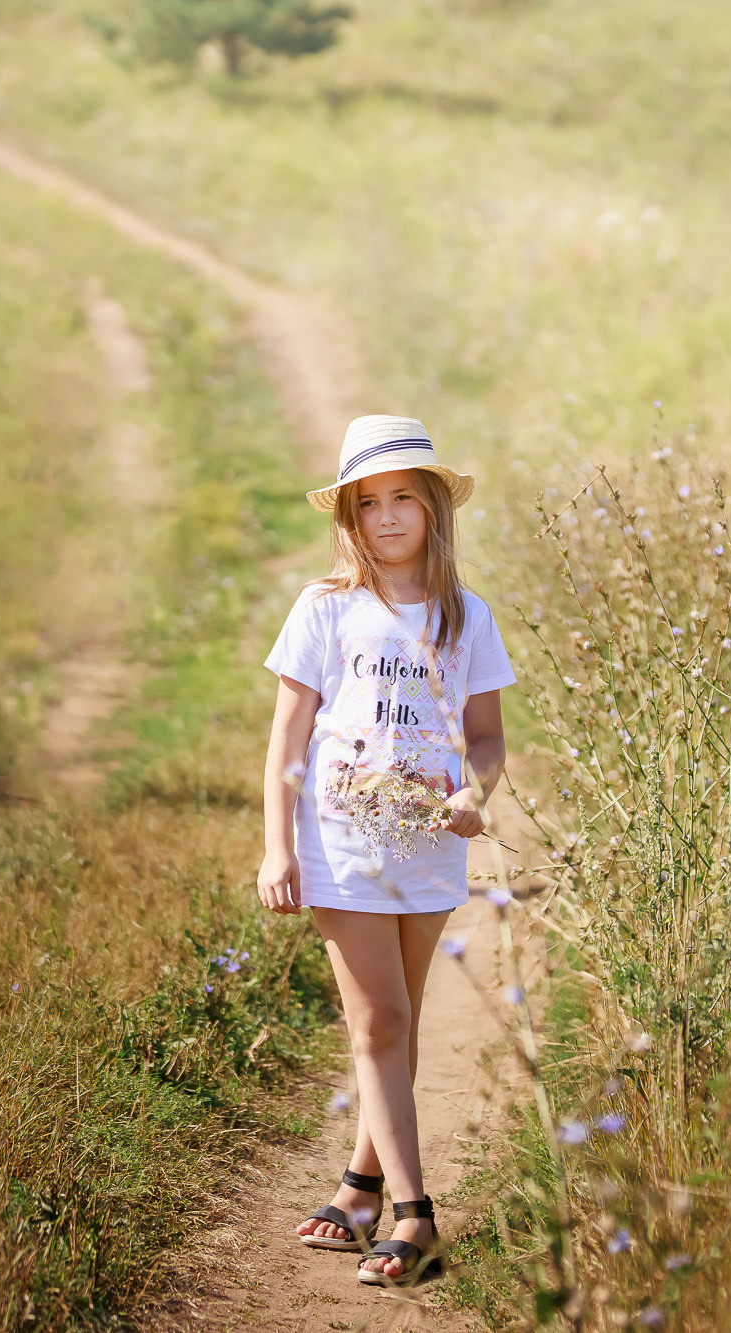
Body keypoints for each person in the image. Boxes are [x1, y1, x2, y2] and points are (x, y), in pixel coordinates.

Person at [257, 415, 513, 1288]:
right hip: (340, 847)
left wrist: (475, 794)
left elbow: (486, 738)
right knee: (377, 1022)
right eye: (372, 503)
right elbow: (286, 737)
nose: (390, 515)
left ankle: (360, 1186)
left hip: (427, 850)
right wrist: (276, 848)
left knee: (398, 1020)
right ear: (352, 520)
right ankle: (416, 1215)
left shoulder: (465, 617)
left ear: (435, 510)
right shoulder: (326, 608)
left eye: (406, 496)